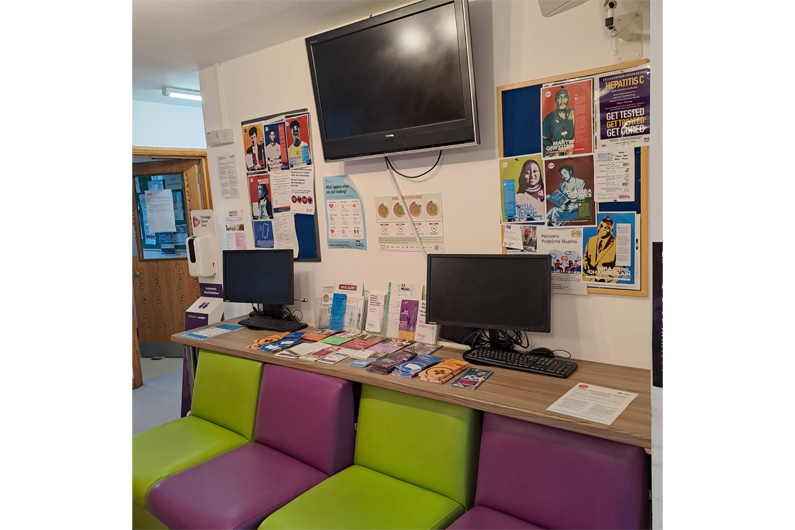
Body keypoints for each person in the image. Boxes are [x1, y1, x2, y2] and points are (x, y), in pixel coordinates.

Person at [583, 216, 620, 282]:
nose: (602, 229)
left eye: (607, 227)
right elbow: (585, 258)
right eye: (601, 226)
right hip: (588, 280)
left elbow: (620, 267)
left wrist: (605, 273)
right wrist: (587, 267)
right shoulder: (591, 240)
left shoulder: (617, 243)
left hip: (607, 282)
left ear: (611, 231)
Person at [542, 87, 575, 157]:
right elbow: (543, 139)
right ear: (555, 100)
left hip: (570, 154)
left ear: (568, 99)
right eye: (559, 98)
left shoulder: (573, 114)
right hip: (554, 154)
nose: (562, 101)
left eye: (564, 97)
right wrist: (556, 150)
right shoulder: (549, 118)